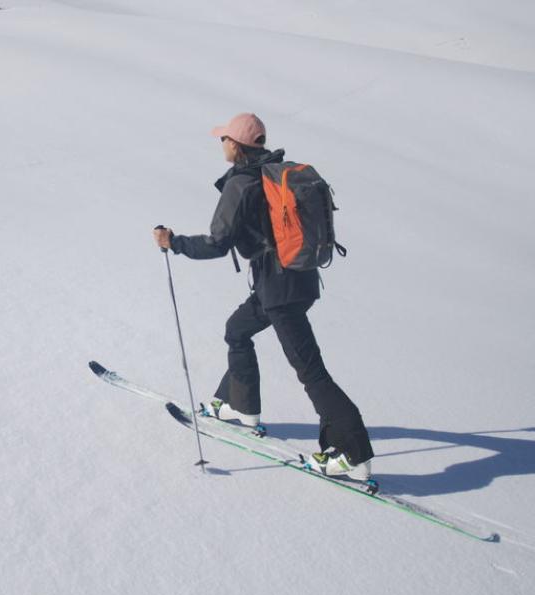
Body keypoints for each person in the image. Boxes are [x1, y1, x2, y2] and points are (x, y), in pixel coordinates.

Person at [152, 113, 374, 480]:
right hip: (299, 280)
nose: (220, 143)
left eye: (223, 138)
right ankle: (242, 406)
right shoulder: (272, 169)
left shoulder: (241, 183)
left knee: (311, 372)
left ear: (236, 145)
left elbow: (218, 243)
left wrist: (174, 243)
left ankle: (353, 453)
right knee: (237, 330)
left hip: (279, 289)